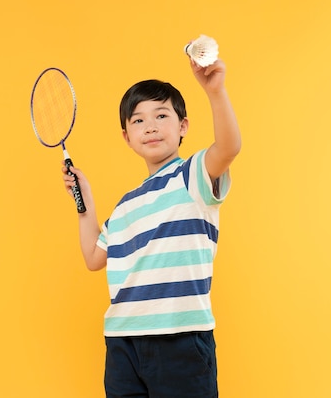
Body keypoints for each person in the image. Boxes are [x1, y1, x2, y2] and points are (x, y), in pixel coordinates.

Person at [61, 55, 241, 397]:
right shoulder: (126, 204)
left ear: (183, 126)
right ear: (126, 136)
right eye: (139, 120)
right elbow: (94, 258)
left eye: (162, 116)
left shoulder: (193, 176)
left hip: (181, 338)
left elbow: (229, 147)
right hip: (122, 343)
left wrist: (215, 91)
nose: (151, 126)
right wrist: (85, 205)